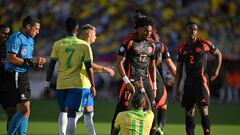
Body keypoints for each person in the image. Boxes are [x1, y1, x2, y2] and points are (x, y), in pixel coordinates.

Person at [45, 17, 95, 135]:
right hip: (76, 84)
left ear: (65, 29)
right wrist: (93, 85)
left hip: (61, 84)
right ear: (77, 30)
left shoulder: (58, 44)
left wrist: (47, 85)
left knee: (63, 112)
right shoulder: (83, 45)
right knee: (72, 115)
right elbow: (89, 67)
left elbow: (51, 66)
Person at [111, 17, 157, 135]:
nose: (148, 33)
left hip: (146, 81)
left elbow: (152, 67)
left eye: (150, 31)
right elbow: (119, 63)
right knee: (122, 111)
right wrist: (127, 82)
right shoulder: (129, 42)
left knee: (152, 113)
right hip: (130, 80)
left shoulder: (152, 44)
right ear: (139, 29)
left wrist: (154, 86)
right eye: (146, 30)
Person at [133, 9, 177, 135]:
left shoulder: (131, 39)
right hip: (152, 77)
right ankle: (158, 128)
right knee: (160, 104)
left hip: (134, 76)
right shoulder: (156, 42)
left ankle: (145, 129)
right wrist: (177, 78)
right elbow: (166, 63)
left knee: (138, 106)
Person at [175, 21, 222, 135]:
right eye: (190, 29)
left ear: (197, 31)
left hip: (201, 82)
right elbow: (179, 70)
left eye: (195, 29)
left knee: (203, 110)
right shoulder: (181, 48)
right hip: (188, 84)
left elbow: (218, 54)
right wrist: (177, 89)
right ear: (186, 31)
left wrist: (216, 71)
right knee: (189, 112)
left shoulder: (204, 43)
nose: (192, 31)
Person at [5, 16, 46, 135]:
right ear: (28, 27)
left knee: (26, 111)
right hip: (15, 74)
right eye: (36, 29)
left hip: (23, 75)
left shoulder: (30, 40)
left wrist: (36, 64)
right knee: (24, 110)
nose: (38, 32)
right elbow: (11, 58)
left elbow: (26, 60)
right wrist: (30, 62)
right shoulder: (17, 37)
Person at [74, 24, 115, 135]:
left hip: (84, 84)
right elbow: (89, 66)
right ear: (89, 34)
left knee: (89, 112)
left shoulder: (81, 45)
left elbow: (89, 66)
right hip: (81, 84)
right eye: (95, 34)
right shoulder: (84, 46)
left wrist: (104, 70)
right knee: (77, 113)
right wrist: (105, 69)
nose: (96, 37)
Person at [0, 24, 16, 132]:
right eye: (3, 33)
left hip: (6, 84)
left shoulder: (11, 48)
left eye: (7, 34)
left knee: (12, 112)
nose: (5, 36)